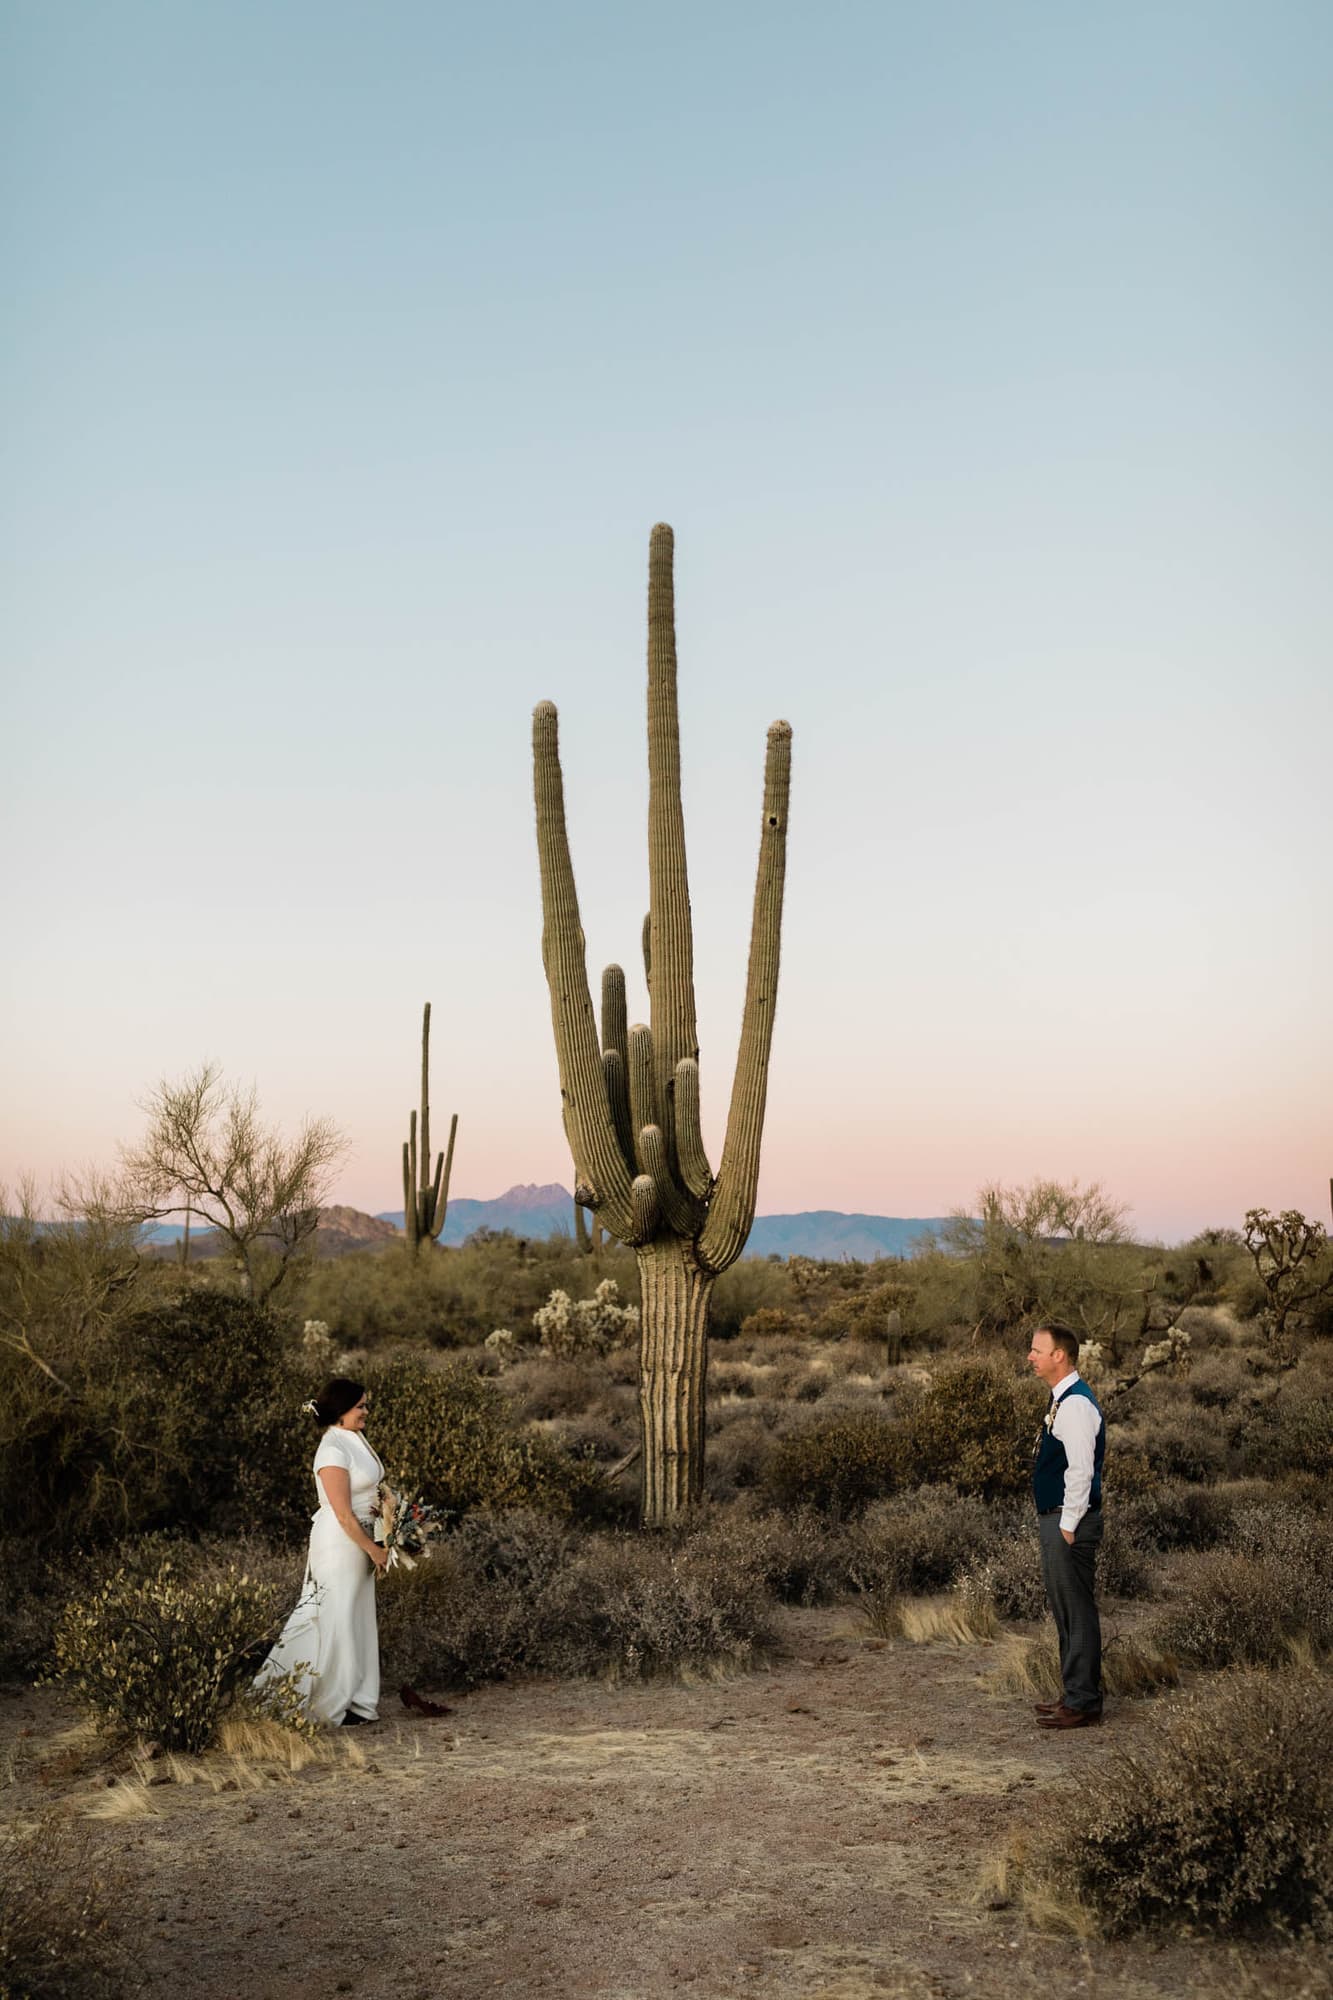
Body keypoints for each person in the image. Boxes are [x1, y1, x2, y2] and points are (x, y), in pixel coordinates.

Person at [254, 1377, 388, 1726]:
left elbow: (373, 1489)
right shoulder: (331, 1450)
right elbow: (342, 1512)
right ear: (341, 1411)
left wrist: (392, 1523)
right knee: (337, 1616)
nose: (366, 1412)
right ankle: (327, 1703)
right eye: (360, 1406)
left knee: (357, 1616)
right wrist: (373, 1549)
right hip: (341, 1542)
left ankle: (358, 1700)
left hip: (363, 1538)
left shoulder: (355, 1439)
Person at [1026, 1325, 1105, 1729]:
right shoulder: (1063, 1400)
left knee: (1076, 1610)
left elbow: (1081, 1470)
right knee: (1067, 1611)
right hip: (1059, 1518)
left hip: (1067, 1521)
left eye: (1037, 1350)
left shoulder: (1075, 1405)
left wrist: (1069, 1524)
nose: (1030, 1356)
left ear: (1060, 1355)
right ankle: (1075, 1694)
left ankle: (1083, 1702)